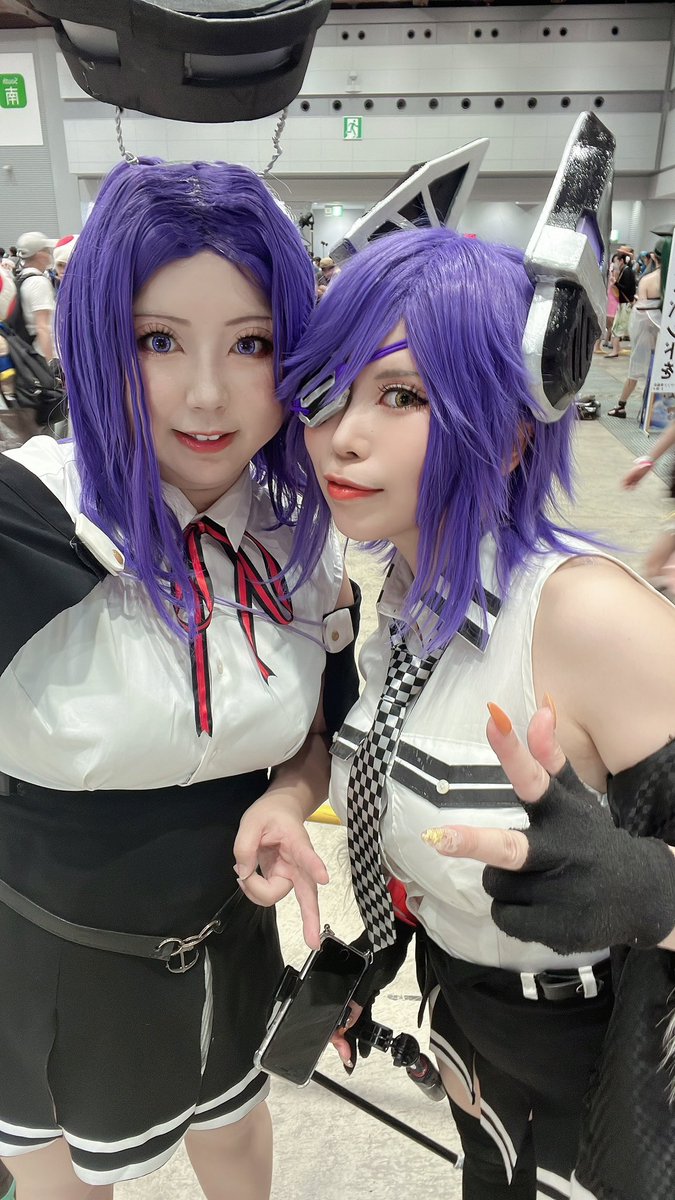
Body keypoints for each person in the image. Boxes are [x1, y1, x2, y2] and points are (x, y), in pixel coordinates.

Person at [280, 226, 675, 1200]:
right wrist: (373, 960)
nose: (342, 434)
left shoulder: (586, 616)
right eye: (329, 390)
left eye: (401, 396)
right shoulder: (403, 596)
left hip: (610, 1074)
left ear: (509, 431)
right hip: (470, 1037)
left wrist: (650, 889)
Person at [0, 156, 357, 1200]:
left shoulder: (301, 539)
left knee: (237, 1133)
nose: (207, 395)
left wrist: (289, 797)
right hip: (45, 945)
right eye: (158, 340)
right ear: (95, 338)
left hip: (232, 933)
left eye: (252, 344)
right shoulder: (26, 517)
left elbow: (314, 729)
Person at [608, 240, 663, 418]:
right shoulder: (669, 281)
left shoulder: (648, 280)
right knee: (663, 371)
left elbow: (641, 312)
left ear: (653, 257)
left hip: (646, 331)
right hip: (667, 335)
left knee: (635, 369)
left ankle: (621, 406)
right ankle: (654, 409)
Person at [13, 231, 57, 361]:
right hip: (44, 353)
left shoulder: (22, 278)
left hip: (33, 351)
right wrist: (51, 363)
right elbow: (42, 327)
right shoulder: (38, 282)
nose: (50, 254)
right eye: (47, 251)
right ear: (40, 254)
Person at [602, 251, 635, 357]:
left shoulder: (626, 272)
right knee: (617, 327)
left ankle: (615, 351)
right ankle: (616, 349)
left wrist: (616, 283)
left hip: (625, 304)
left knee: (617, 328)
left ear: (621, 261)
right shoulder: (625, 270)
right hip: (624, 303)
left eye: (616, 261)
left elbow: (626, 288)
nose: (615, 263)